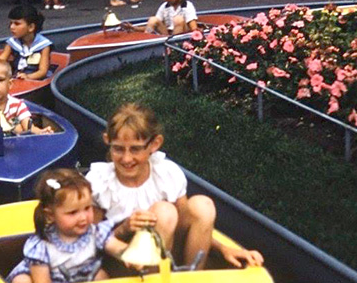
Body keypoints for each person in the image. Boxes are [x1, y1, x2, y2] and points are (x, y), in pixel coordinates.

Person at [86, 103, 264, 269]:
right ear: (107, 140)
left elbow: (188, 226)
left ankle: (192, 277)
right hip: (124, 262)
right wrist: (124, 228)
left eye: (135, 149)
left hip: (167, 253)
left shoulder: (166, 173)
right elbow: (91, 239)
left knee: (202, 205)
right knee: (164, 212)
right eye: (118, 148)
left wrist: (224, 249)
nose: (126, 159)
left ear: (154, 144)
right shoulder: (100, 182)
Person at [6, 169, 131, 283]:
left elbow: (116, 247)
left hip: (81, 281)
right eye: (73, 212)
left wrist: (133, 256)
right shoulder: (42, 246)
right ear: (51, 215)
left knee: (101, 276)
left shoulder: (95, 232)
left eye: (87, 208)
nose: (83, 218)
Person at [0, 59, 53, 135]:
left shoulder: (18, 104)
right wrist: (15, 128)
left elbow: (28, 127)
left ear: (10, 84)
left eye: (0, 80)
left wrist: (41, 132)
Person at [0, 3, 53, 81]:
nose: (12, 27)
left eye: (17, 24)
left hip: (35, 80)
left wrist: (28, 77)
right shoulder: (12, 43)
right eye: (11, 23)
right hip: (17, 78)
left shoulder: (43, 45)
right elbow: (0, 60)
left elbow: (42, 71)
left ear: (31, 27)